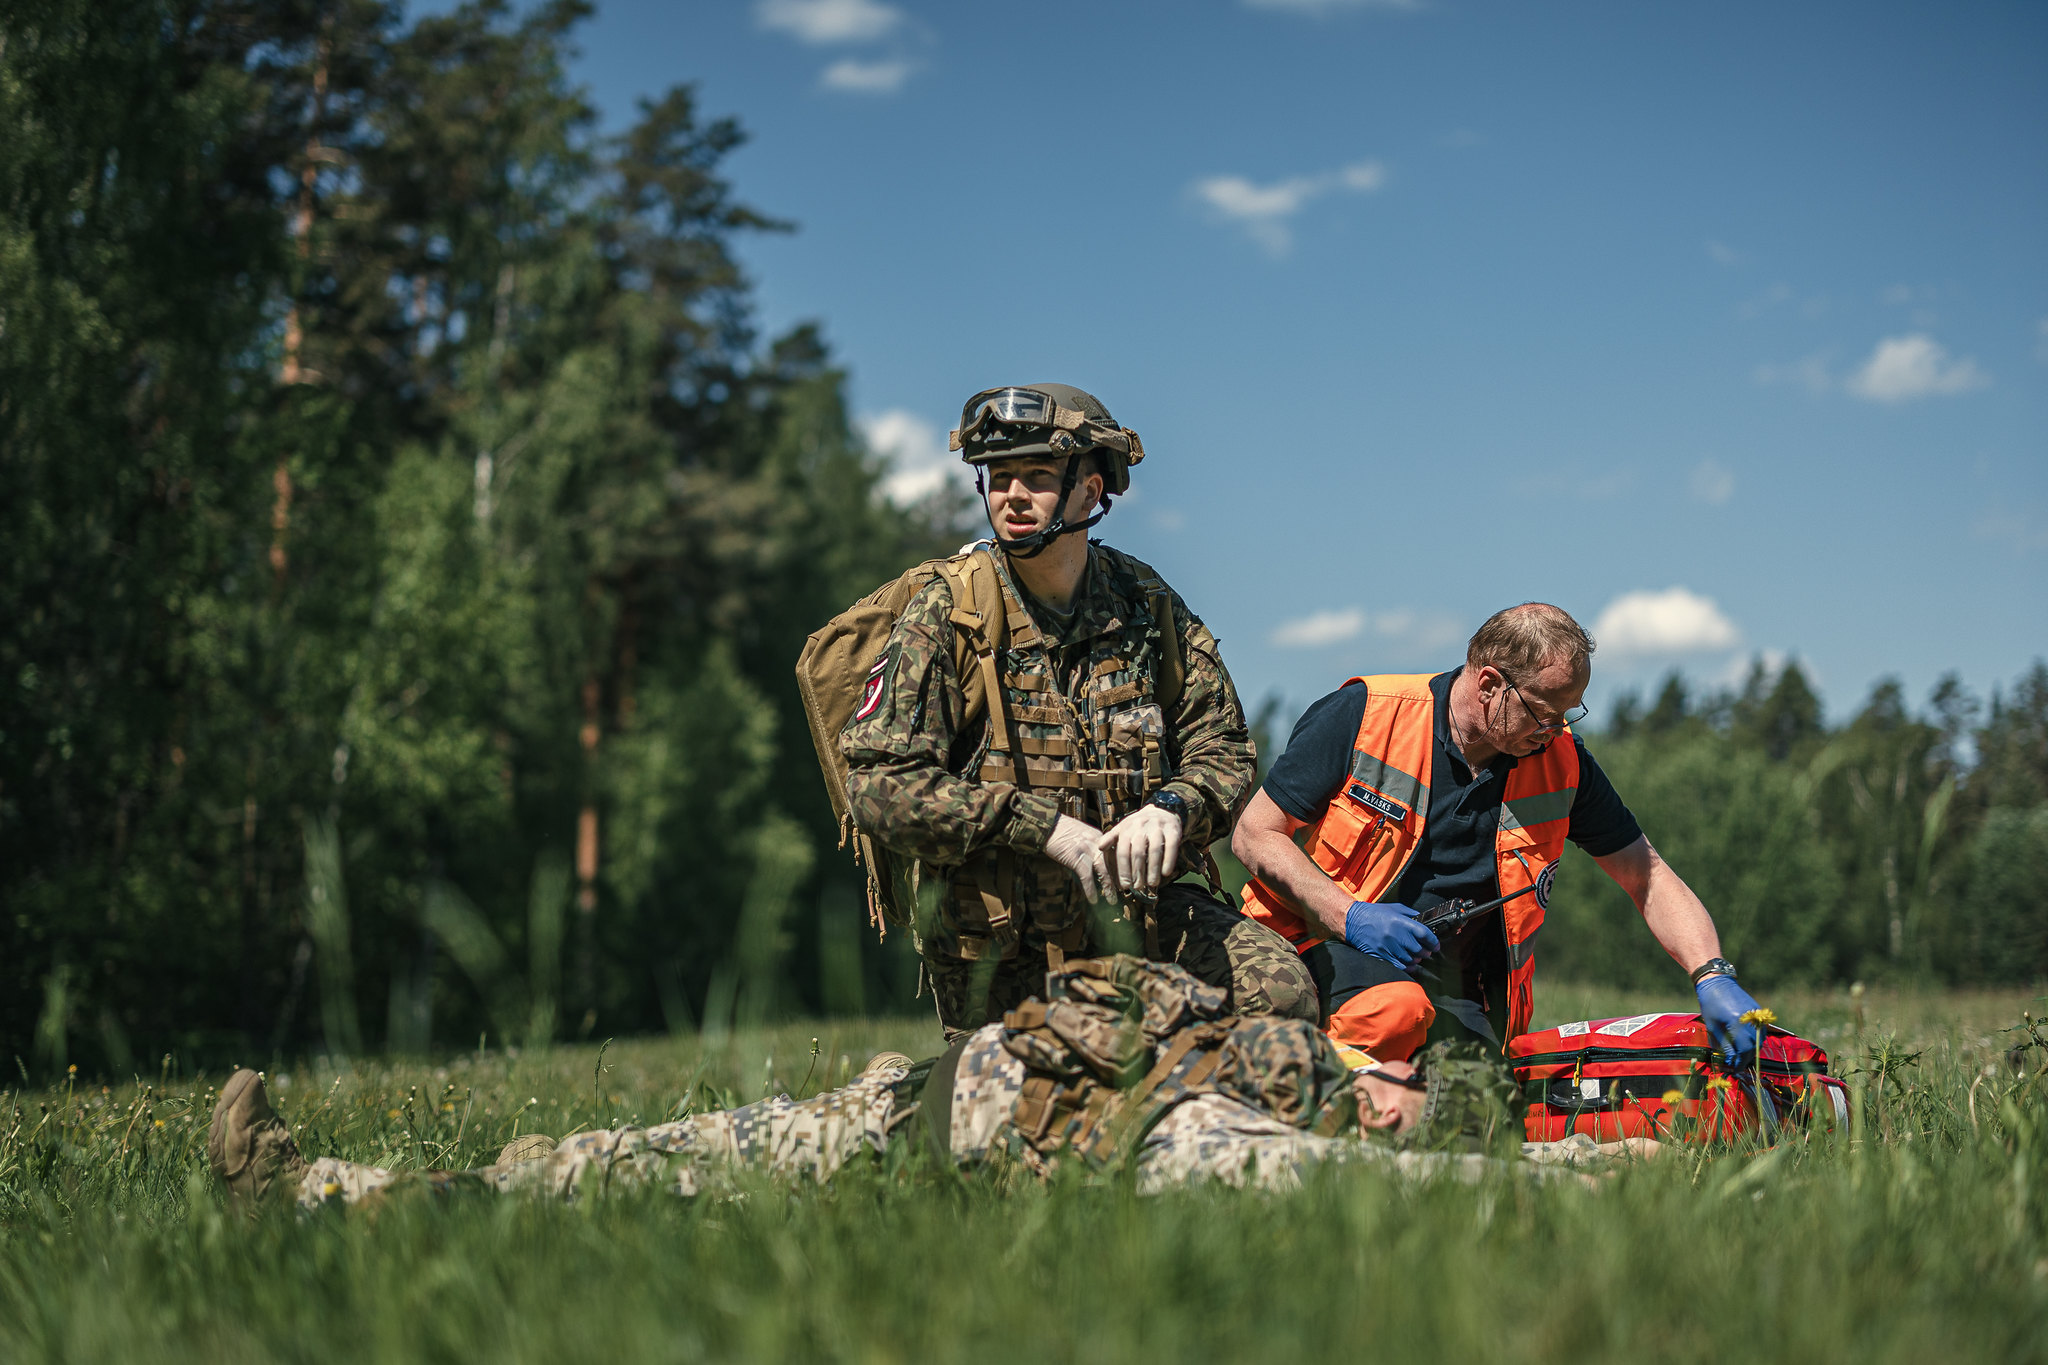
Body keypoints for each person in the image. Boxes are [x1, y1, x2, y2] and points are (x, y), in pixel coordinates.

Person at [206, 957, 1623, 1213]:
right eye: (1403, 1087)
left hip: (1093, 1149)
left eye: (1410, 1107)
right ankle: (331, 1192)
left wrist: (1632, 1152)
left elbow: (1478, 1186)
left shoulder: (1297, 1145)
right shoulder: (1289, 1032)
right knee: (651, 1156)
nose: (1395, 1106)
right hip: (934, 1097)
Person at [840, 384, 1313, 1038]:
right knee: (1029, 1105)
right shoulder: (948, 611)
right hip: (1004, 951)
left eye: (1036, 476)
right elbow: (876, 782)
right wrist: (1041, 827)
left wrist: (1174, 806)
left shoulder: (1145, 604)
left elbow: (1225, 747)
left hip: (1144, 922)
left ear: (1090, 492)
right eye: (999, 477)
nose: (1012, 495)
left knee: (1280, 993)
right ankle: (905, 1089)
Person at [1231, 603, 1770, 1067]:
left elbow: (1646, 876)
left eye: (1569, 714)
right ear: (1489, 685)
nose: (1556, 731)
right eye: (1544, 713)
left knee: (1482, 1112)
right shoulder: (1368, 714)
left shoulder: (1562, 764)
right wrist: (1349, 915)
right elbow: (1254, 835)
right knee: (1394, 1012)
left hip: (1456, 996)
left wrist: (1711, 974)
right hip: (1313, 950)